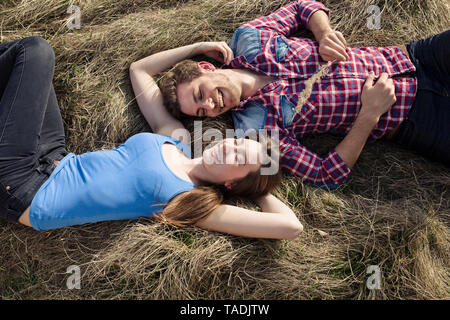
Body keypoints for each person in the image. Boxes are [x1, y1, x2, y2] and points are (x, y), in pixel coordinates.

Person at [0, 36, 303, 240]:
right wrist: (197, 47)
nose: (228, 148)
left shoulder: (192, 199)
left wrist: (256, 187)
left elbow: (290, 227)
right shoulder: (177, 139)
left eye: (238, 158)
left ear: (232, 183)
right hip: (54, 158)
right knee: (21, 70)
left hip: (25, 188)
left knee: (36, 51)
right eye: (237, 143)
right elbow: (140, 70)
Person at [136, 0, 449, 190]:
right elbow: (325, 174)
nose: (210, 104)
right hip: (412, 118)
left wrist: (323, 33)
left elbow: (302, 8)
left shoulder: (249, 39)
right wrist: (369, 116)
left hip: (414, 57)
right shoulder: (256, 133)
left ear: (206, 67)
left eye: (200, 93)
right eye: (202, 112)